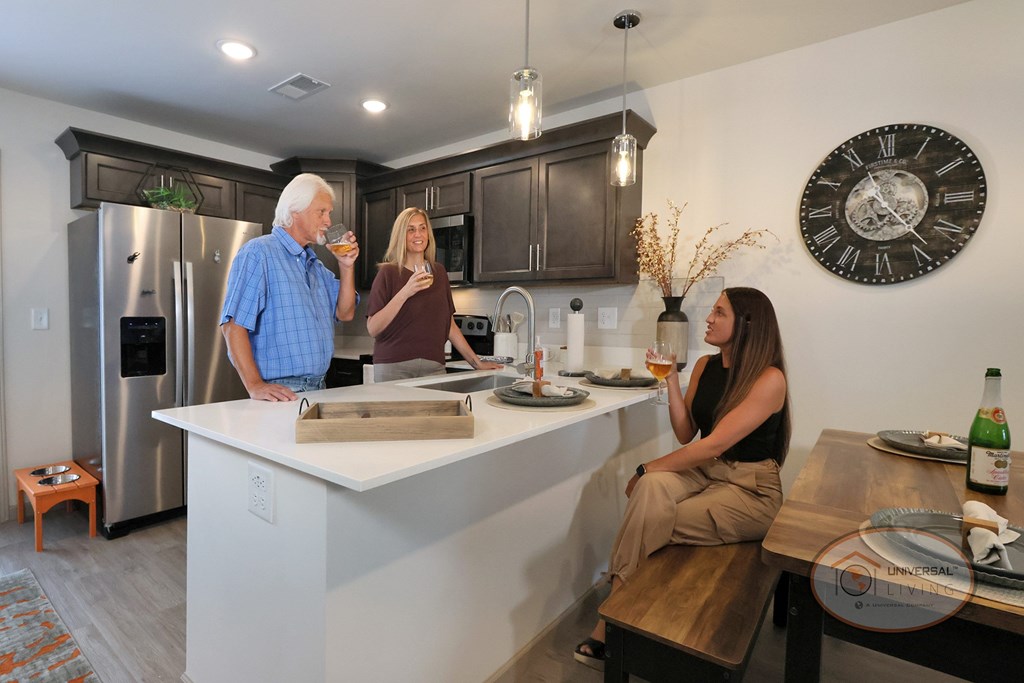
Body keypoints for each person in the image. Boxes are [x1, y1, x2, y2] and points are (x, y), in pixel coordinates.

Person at [573, 286, 791, 670]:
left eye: (719, 313)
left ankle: (611, 620)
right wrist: (672, 379)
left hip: (751, 489)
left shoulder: (769, 379)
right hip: (705, 473)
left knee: (648, 511)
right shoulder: (706, 366)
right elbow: (686, 433)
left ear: (747, 324)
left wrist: (645, 468)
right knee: (652, 492)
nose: (708, 318)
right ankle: (629, 614)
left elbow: (711, 446)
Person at [220, 173, 360, 401]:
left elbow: (345, 313)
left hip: (319, 388)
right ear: (296, 211)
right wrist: (255, 385)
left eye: (329, 213)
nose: (328, 221)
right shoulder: (259, 253)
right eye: (321, 212)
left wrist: (346, 266)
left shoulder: (315, 266)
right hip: (282, 393)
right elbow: (233, 326)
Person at [367, 207, 503, 381]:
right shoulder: (388, 273)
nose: (418, 234)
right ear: (401, 236)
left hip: (434, 367)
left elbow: (449, 325)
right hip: (394, 366)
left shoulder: (438, 272)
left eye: (422, 228)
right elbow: (373, 328)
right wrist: (406, 292)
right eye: (411, 229)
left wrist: (476, 362)